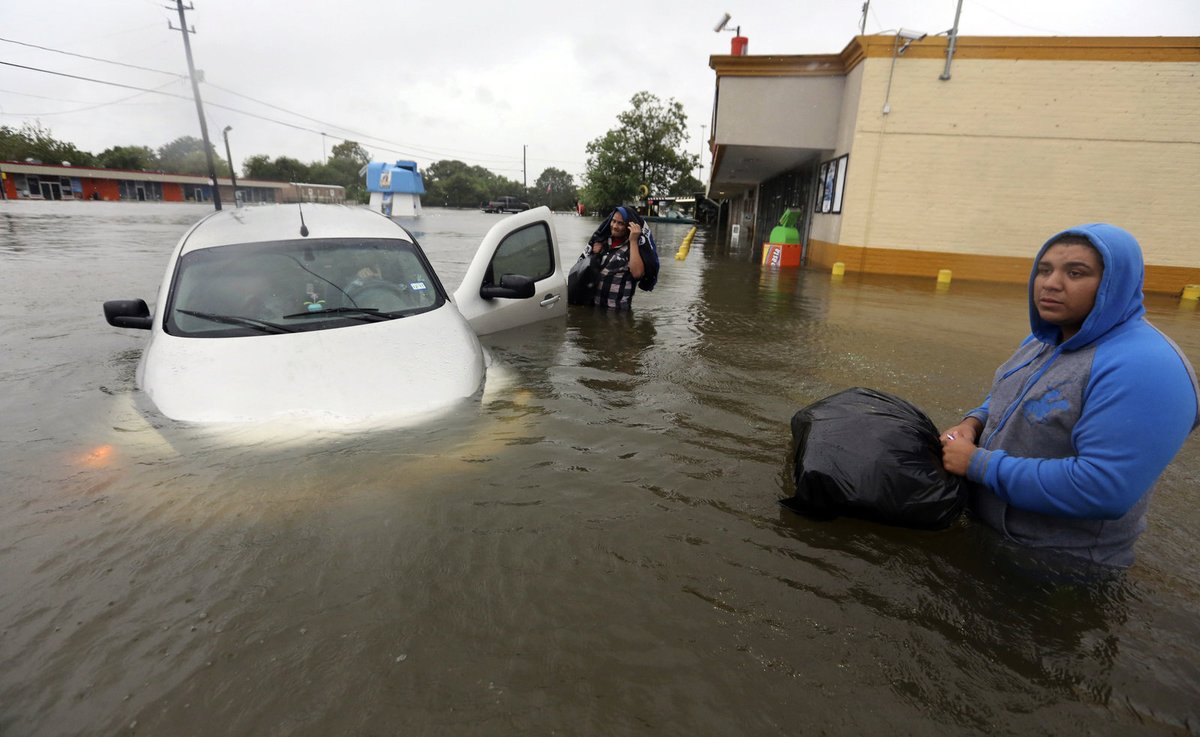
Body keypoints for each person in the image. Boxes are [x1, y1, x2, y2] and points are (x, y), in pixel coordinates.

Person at [940, 224, 1198, 568]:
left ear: (1114, 283)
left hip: (1057, 566)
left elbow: (1102, 489)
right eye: (1044, 270)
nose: (1051, 283)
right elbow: (1013, 398)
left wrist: (977, 464)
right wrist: (973, 422)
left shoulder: (1147, 367)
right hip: (993, 535)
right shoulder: (1046, 339)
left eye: (1076, 273)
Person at [587, 206, 648, 311]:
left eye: (620, 223)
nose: (615, 226)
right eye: (613, 221)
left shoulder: (634, 248)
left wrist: (633, 240)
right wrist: (594, 254)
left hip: (617, 313)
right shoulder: (603, 242)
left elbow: (637, 274)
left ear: (629, 226)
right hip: (594, 309)